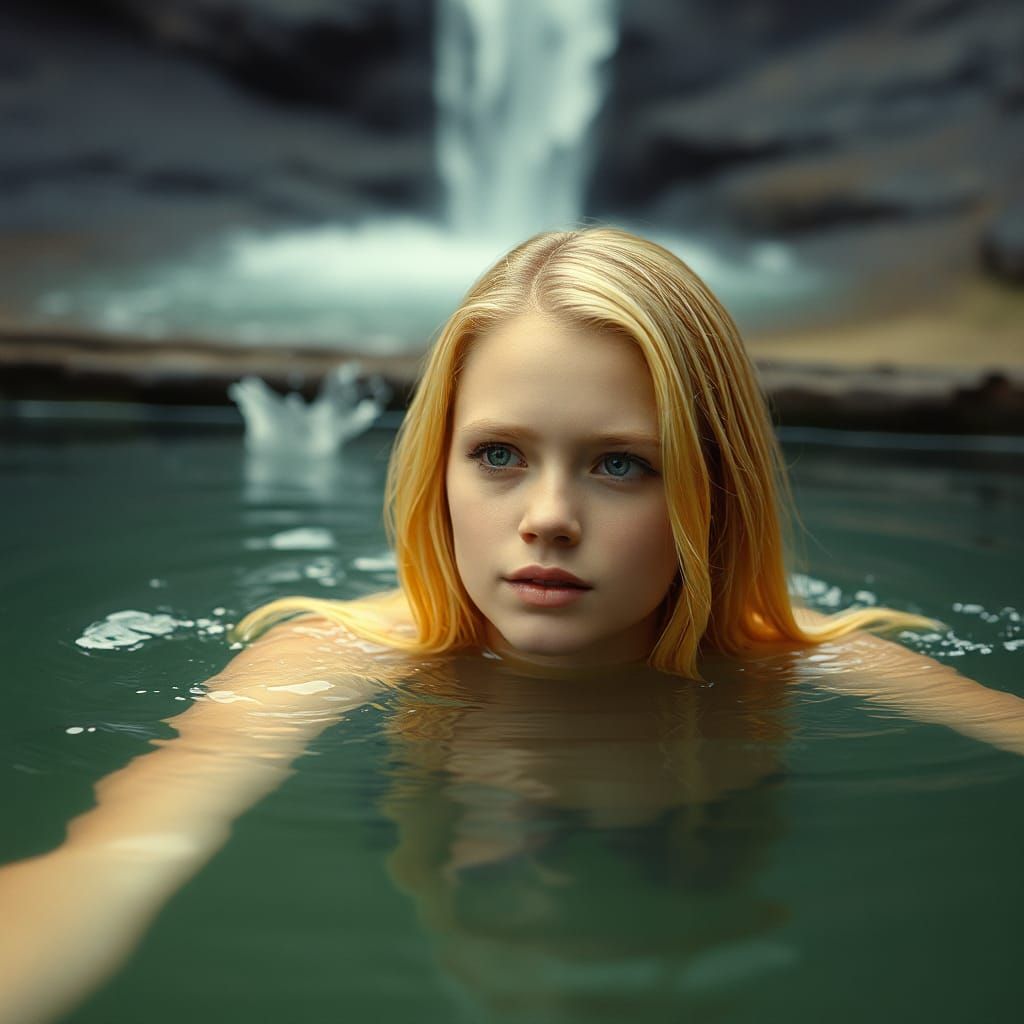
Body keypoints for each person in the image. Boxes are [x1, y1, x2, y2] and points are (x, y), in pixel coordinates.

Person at [2, 226, 1022, 1024]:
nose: (547, 517)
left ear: (714, 489)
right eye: (498, 455)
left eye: (620, 463)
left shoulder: (805, 654)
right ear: (436, 468)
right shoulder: (330, 652)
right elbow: (121, 857)